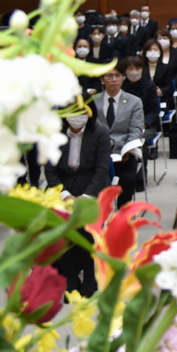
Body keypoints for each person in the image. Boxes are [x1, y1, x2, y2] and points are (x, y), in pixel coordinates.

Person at [45, 98, 110, 297]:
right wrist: (65, 195)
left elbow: (102, 170)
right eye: (72, 112)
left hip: (91, 186)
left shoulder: (100, 132)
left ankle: (90, 275)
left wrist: (85, 196)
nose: (77, 117)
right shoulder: (54, 135)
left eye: (82, 112)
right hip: (62, 188)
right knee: (59, 225)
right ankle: (70, 276)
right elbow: (50, 171)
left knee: (86, 224)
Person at [94, 63, 145, 209]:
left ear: (123, 78)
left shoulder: (134, 101)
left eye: (118, 76)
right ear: (102, 79)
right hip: (99, 154)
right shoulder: (93, 101)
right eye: (109, 76)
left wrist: (126, 150)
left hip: (123, 154)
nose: (114, 79)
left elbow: (136, 129)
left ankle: (123, 214)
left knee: (128, 180)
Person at [121, 56, 161, 146]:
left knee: (136, 140)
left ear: (142, 70)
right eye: (130, 69)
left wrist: (144, 124)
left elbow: (154, 110)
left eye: (137, 68)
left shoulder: (149, 85)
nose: (134, 71)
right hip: (124, 125)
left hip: (146, 125)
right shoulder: (122, 86)